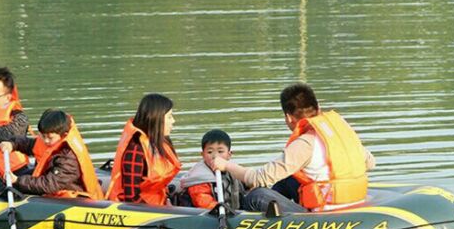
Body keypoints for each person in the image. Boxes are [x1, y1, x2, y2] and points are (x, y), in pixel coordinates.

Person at [212, 83, 375, 213]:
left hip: (325, 214)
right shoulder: (341, 132)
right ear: (318, 108)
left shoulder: (305, 144)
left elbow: (258, 178)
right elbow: (370, 163)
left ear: (289, 117)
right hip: (356, 201)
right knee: (289, 178)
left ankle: (245, 222)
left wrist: (226, 165)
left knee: (256, 195)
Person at [0, 109, 103, 199]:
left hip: (69, 197)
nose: (46, 141)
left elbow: (49, 185)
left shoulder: (68, 158)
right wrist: (13, 144)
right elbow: (29, 144)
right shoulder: (50, 142)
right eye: (43, 136)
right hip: (50, 185)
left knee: (1, 186)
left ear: (64, 135)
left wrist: (17, 180)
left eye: (50, 138)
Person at [106, 93, 181, 205]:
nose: (173, 121)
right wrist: (161, 211)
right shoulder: (135, 149)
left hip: (158, 202)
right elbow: (131, 198)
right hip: (142, 209)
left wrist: (167, 201)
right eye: (169, 117)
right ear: (156, 118)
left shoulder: (159, 142)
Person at [179, 129, 242, 211]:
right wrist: (222, 209)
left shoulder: (232, 171)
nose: (215, 156)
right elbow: (203, 201)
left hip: (232, 210)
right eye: (210, 152)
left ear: (229, 155)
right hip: (210, 213)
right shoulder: (199, 177)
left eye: (220, 151)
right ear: (203, 155)